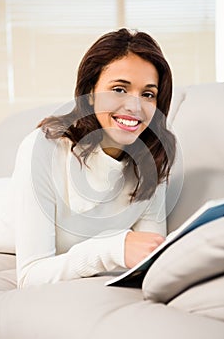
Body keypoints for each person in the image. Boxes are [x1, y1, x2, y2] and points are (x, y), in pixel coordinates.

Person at [11, 28, 176, 288]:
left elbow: (149, 258)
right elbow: (30, 276)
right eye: (119, 89)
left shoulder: (152, 162)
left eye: (147, 94)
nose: (134, 106)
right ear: (90, 92)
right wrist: (110, 250)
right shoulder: (42, 150)